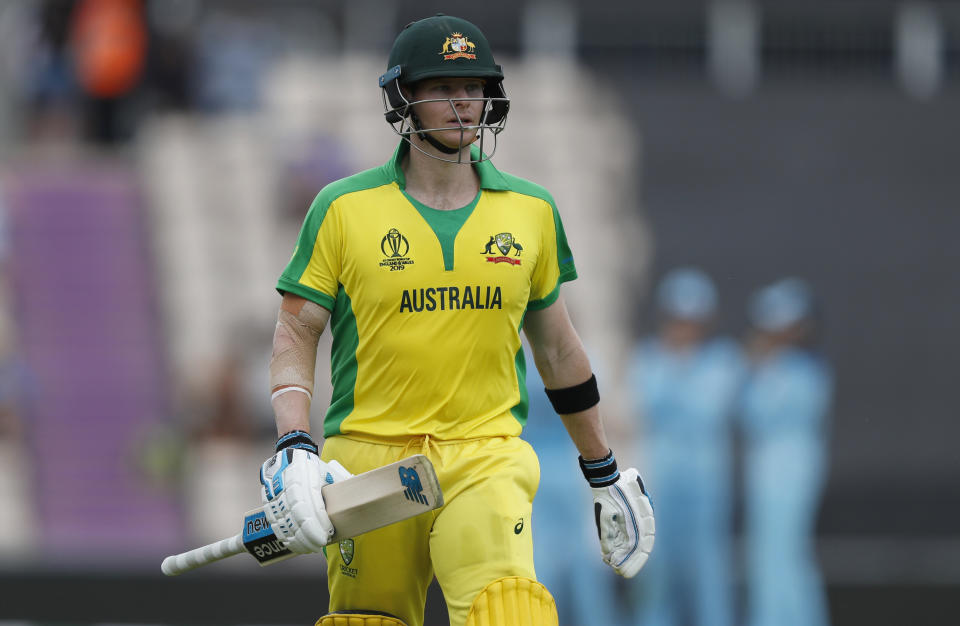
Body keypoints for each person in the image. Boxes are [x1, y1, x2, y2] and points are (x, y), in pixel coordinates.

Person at [256, 14, 655, 626]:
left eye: (474, 88)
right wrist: (292, 444)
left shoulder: (531, 211)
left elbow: (557, 351)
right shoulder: (342, 209)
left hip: (484, 456)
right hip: (369, 463)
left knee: (510, 612)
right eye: (443, 87)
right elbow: (296, 331)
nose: (463, 103)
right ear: (404, 97)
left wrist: (603, 472)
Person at [626, 268, 744, 626]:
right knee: (654, 570)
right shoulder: (646, 358)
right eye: (678, 319)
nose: (684, 328)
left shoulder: (724, 360)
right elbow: (639, 405)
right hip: (658, 482)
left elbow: (709, 410)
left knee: (709, 571)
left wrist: (675, 389)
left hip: (706, 485)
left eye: (692, 320)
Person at [739, 278, 833, 626]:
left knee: (787, 554)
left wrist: (758, 365)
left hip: (792, 469)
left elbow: (761, 414)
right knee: (767, 555)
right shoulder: (765, 369)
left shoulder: (808, 372)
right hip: (765, 468)